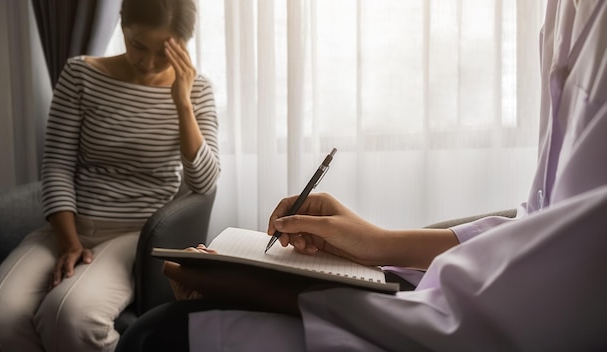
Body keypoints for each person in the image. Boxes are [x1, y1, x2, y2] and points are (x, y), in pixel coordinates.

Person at [116, 0, 607, 351]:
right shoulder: (565, 11)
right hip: (454, 297)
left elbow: (512, 313)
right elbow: (536, 223)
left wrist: (258, 289)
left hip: (472, 322)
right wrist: (380, 242)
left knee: (155, 335)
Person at [0, 0, 220, 351]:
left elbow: (204, 182)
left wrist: (182, 102)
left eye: (163, 52)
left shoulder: (197, 90)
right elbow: (57, 165)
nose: (149, 63)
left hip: (136, 235)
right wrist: (68, 241)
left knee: (71, 317)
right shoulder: (81, 74)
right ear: (122, 24)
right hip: (70, 225)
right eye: (138, 46)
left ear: (183, 45)